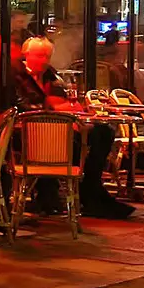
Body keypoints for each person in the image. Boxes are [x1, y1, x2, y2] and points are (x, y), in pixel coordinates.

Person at [11, 36, 135, 220]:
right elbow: (25, 108)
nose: (44, 60)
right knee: (81, 141)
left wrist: (71, 109)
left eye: (47, 56)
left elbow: (66, 99)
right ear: (26, 55)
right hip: (32, 133)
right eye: (39, 55)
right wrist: (55, 108)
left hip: (60, 126)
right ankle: (86, 191)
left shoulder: (50, 75)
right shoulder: (17, 76)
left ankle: (91, 185)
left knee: (104, 131)